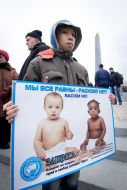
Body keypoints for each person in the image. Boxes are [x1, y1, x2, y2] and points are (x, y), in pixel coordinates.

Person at [3, 20, 115, 190]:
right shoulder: (39, 63)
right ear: (54, 36)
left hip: (74, 143)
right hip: (50, 149)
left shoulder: (81, 68)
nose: (71, 37)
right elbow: (25, 99)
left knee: (72, 182)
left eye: (74, 34)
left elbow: (89, 98)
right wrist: (14, 110)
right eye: (65, 33)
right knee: (52, 185)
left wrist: (107, 101)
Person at [34, 92, 74, 161]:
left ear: (62, 108)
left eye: (57, 107)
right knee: (42, 165)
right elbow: (37, 140)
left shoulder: (64, 122)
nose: (53, 110)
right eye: (50, 107)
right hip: (48, 153)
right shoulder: (42, 123)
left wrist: (70, 135)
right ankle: (51, 164)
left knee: (74, 150)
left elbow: (68, 137)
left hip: (62, 151)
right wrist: (39, 152)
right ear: (45, 108)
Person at [0, 49, 18, 149]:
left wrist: (8, 90)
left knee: (5, 122)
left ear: (5, 58)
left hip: (7, 101)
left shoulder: (12, 70)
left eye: (1, 56)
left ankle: (4, 142)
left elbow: (17, 82)